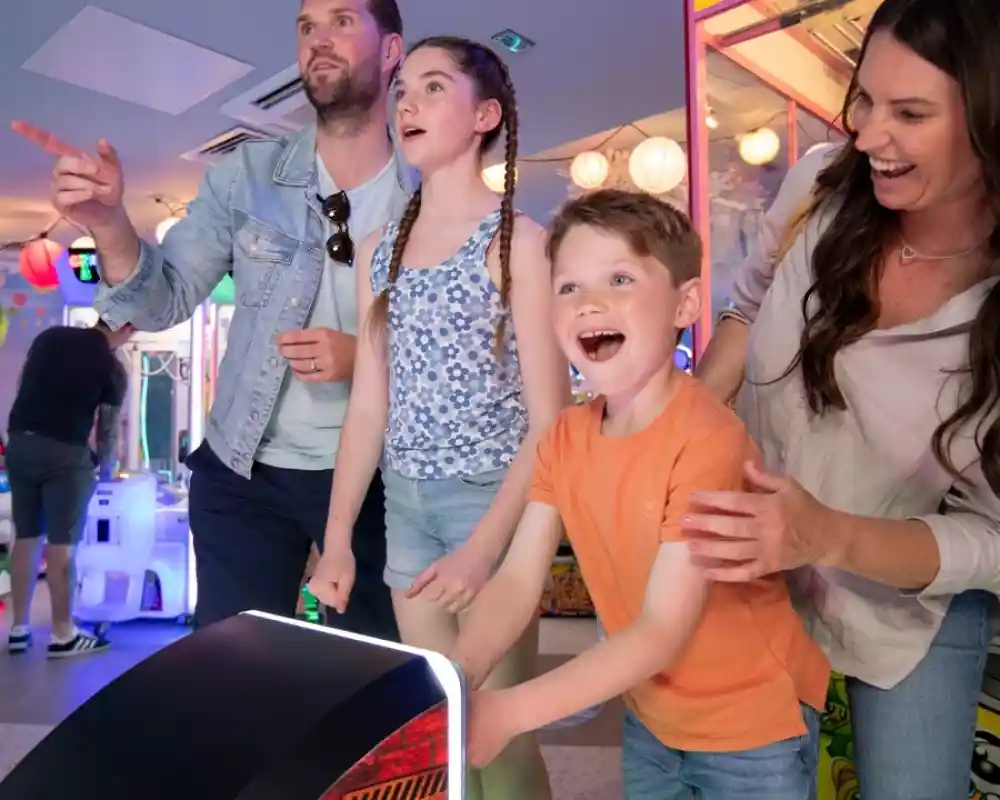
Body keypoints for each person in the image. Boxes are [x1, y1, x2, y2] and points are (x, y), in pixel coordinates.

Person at [11, 0, 412, 638]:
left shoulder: (428, 194)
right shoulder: (246, 177)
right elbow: (163, 300)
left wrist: (363, 356)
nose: (318, 39)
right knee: (233, 672)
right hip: (243, 471)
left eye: (342, 21)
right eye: (307, 26)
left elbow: (463, 353)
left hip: (382, 481)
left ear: (391, 51)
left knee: (381, 670)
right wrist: (110, 224)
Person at [687, 1, 1000, 797]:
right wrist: (674, 435)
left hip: (907, 612)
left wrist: (825, 533)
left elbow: (992, 537)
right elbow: (746, 310)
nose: (868, 136)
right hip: (752, 574)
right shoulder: (819, 187)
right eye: (865, 100)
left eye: (911, 114)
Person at [448, 189, 830, 800]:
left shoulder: (707, 438)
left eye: (620, 278)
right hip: (651, 714)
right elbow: (517, 581)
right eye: (569, 287)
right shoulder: (564, 438)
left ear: (685, 303)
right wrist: (457, 677)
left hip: (751, 724)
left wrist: (511, 712)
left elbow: (660, 630)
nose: (589, 302)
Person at [308, 36, 566, 799]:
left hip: (494, 503)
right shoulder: (378, 249)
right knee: (443, 737)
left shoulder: (522, 243)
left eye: (432, 87)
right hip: (407, 508)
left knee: (498, 737)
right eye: (402, 91)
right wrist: (337, 540)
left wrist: (487, 551)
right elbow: (368, 406)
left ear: (486, 116)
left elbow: (551, 421)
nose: (407, 103)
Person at [5, 319, 132, 657]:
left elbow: (22, 385)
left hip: (20, 443)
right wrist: (105, 470)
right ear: (127, 329)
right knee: (62, 545)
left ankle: (19, 629)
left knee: (27, 536)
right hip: (65, 455)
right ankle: (63, 634)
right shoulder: (112, 368)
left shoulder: (50, 337)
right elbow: (107, 430)